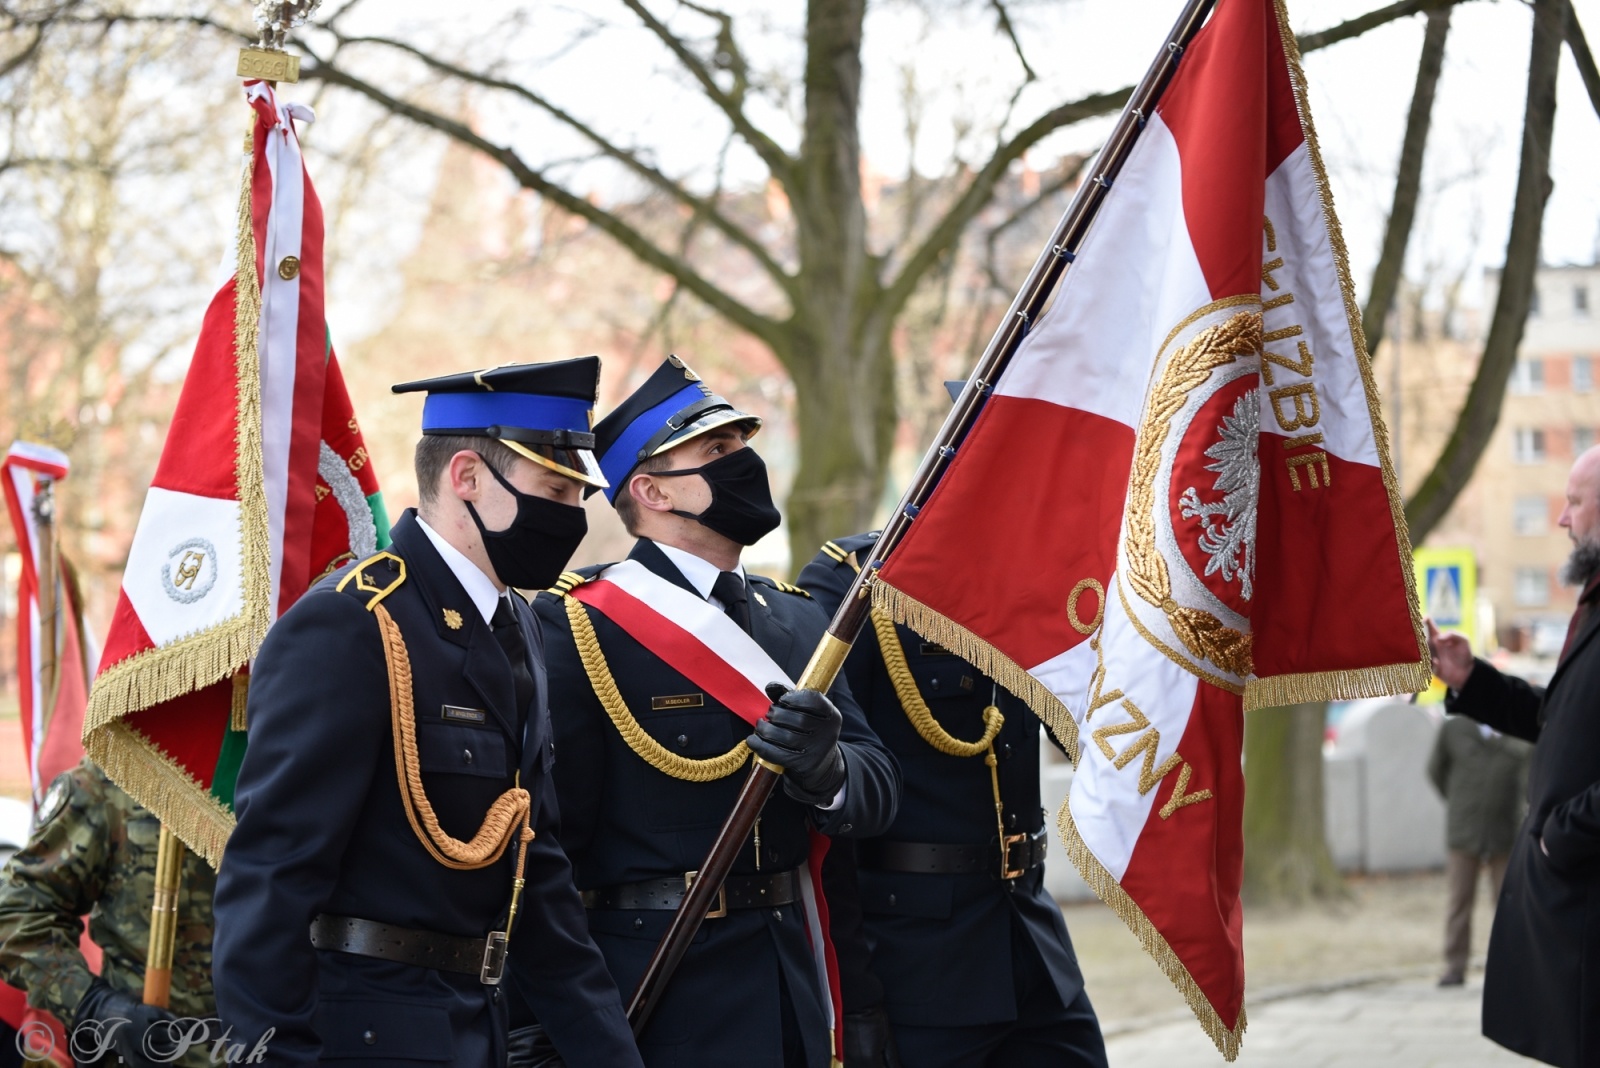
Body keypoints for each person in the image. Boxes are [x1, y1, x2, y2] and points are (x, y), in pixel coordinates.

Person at [211, 358, 643, 1068]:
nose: (572, 515)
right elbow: (271, 877)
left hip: (476, 1027)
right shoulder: (353, 625)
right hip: (364, 1031)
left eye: (577, 493)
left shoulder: (522, 626)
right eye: (554, 488)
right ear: (466, 476)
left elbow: (540, 878)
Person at [517, 356, 899, 1068]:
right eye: (717, 451)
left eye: (743, 445)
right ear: (652, 490)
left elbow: (879, 795)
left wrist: (831, 769)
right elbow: (545, 854)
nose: (743, 463)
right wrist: (539, 1027)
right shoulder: (577, 629)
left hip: (794, 980)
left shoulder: (798, 619)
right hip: (660, 992)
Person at [799, 531, 1108, 1068]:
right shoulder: (856, 579)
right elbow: (832, 810)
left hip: (1031, 943)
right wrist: (856, 998)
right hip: (917, 966)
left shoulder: (1025, 570)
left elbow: (1087, 720)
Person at [1427, 443, 1600, 1067]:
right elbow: (1560, 720)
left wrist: (1564, 834)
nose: (1562, 519)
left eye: (1574, 502)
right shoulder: (1594, 603)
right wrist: (1472, 681)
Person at [0, 759, 216, 1067]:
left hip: (280, 1046)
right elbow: (15, 912)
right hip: (147, 1052)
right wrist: (93, 1005)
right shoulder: (119, 774)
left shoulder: (286, 769)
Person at [1425, 714, 1531, 987]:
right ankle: (1454, 966)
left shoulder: (1516, 731)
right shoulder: (1455, 728)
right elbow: (1435, 771)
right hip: (1464, 831)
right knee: (1459, 900)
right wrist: (1459, 802)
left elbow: (1528, 779)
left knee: (1508, 902)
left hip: (1505, 833)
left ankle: (1512, 966)